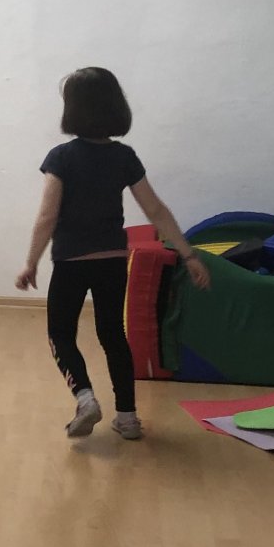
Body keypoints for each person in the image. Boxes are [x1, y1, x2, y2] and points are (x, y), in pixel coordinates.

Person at [15, 66, 212, 440]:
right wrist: (189, 255)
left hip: (71, 262)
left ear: (72, 109)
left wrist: (31, 262)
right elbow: (156, 210)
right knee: (113, 335)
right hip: (112, 261)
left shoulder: (61, 157)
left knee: (60, 334)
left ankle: (85, 397)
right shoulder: (124, 156)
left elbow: (47, 216)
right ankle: (128, 417)